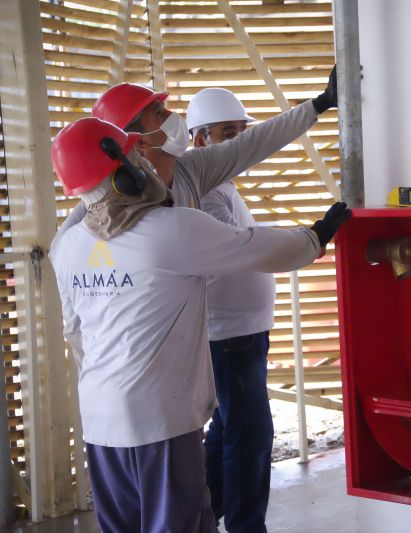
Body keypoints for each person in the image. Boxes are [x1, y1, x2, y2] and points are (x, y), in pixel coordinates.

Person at [49, 117, 350, 533]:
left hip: (100, 422)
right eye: (136, 154)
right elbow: (255, 248)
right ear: (123, 172)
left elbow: (74, 332)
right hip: (161, 419)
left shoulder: (67, 246)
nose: (146, 162)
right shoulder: (170, 230)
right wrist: (316, 236)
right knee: (182, 524)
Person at [185, 87, 317, 531]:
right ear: (200, 140)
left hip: (242, 332)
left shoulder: (220, 184)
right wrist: (310, 239)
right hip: (228, 337)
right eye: (228, 133)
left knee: (228, 431)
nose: (239, 140)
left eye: (243, 131)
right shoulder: (200, 191)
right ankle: (244, 525)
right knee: (250, 436)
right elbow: (243, 249)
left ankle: (206, 515)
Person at [53, 66, 338, 242]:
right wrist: (308, 240)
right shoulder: (105, 199)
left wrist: (318, 104)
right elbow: (62, 251)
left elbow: (253, 143)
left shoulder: (191, 169)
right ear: (136, 142)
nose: (172, 116)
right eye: (159, 114)